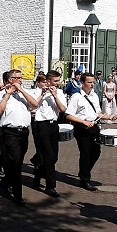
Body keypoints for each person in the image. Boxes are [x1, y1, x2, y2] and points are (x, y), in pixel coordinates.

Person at [66, 73, 117, 191]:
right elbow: (68, 115)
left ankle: (83, 172)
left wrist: (109, 117)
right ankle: (85, 180)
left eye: (93, 82)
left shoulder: (94, 96)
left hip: (93, 126)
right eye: (89, 82)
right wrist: (83, 122)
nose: (92, 84)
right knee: (85, 153)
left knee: (96, 152)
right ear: (82, 83)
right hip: (82, 128)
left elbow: (97, 114)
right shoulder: (76, 97)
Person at [0, 69, 38, 206]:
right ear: (9, 80)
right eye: (17, 78)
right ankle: (18, 195)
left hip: (24, 132)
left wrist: (22, 91)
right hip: (9, 132)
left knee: (16, 162)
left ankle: (6, 181)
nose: (20, 80)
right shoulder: (1, 94)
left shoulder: (25, 94)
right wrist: (7, 95)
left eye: (21, 78)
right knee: (17, 163)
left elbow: (35, 104)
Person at [32, 70, 67, 198]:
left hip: (54, 125)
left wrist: (55, 96)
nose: (57, 83)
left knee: (54, 157)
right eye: (55, 81)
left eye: (58, 81)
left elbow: (63, 109)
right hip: (41, 125)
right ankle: (50, 186)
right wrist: (43, 94)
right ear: (48, 81)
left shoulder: (60, 93)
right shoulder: (37, 92)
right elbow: (32, 107)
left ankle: (38, 171)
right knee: (49, 156)